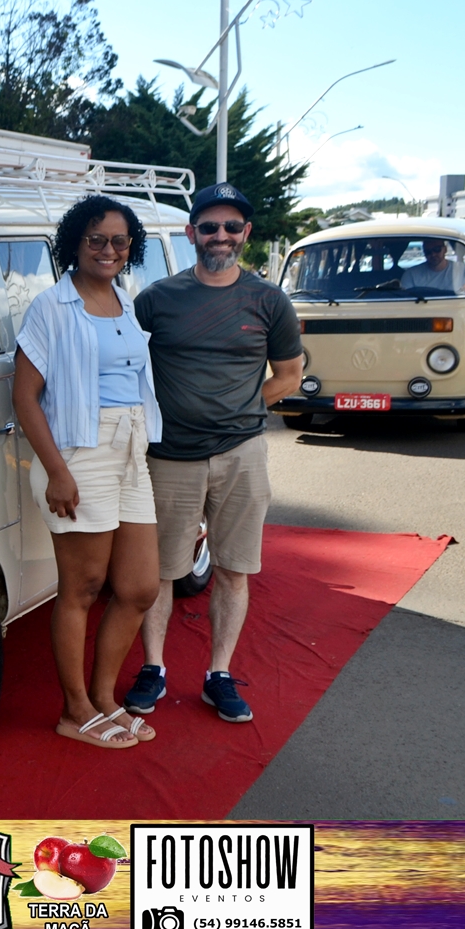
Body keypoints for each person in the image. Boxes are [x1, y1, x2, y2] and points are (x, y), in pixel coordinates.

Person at [125, 183, 304, 724]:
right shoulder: (156, 300)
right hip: (169, 457)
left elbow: (289, 376)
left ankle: (218, 675)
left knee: (232, 569)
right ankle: (153, 667)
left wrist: (241, 410)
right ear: (191, 234)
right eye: (209, 227)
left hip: (241, 456)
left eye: (230, 227)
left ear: (245, 233)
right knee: (159, 572)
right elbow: (125, 367)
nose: (220, 236)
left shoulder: (269, 301)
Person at [11, 195, 163, 749]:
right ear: (75, 243)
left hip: (130, 450)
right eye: (96, 239)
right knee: (83, 587)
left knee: (140, 587)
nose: (108, 249)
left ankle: (104, 697)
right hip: (79, 451)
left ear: (131, 247)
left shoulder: (126, 300)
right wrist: (56, 471)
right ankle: (74, 710)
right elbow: (24, 397)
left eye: (119, 241)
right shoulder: (51, 307)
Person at [400, 238, 465, 294]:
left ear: (445, 249)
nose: (433, 254)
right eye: (428, 252)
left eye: (437, 249)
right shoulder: (411, 274)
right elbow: (405, 300)